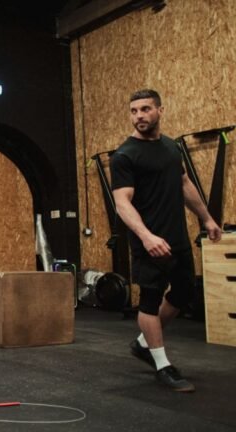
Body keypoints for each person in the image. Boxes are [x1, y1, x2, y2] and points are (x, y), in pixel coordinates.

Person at [110, 89, 222, 392]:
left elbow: (184, 184)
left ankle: (144, 342)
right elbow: (122, 203)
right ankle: (162, 364)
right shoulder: (125, 155)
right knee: (149, 299)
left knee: (184, 291)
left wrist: (207, 218)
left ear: (160, 110)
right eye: (134, 111)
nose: (139, 116)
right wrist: (146, 236)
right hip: (148, 241)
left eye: (145, 109)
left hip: (177, 238)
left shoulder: (172, 148)